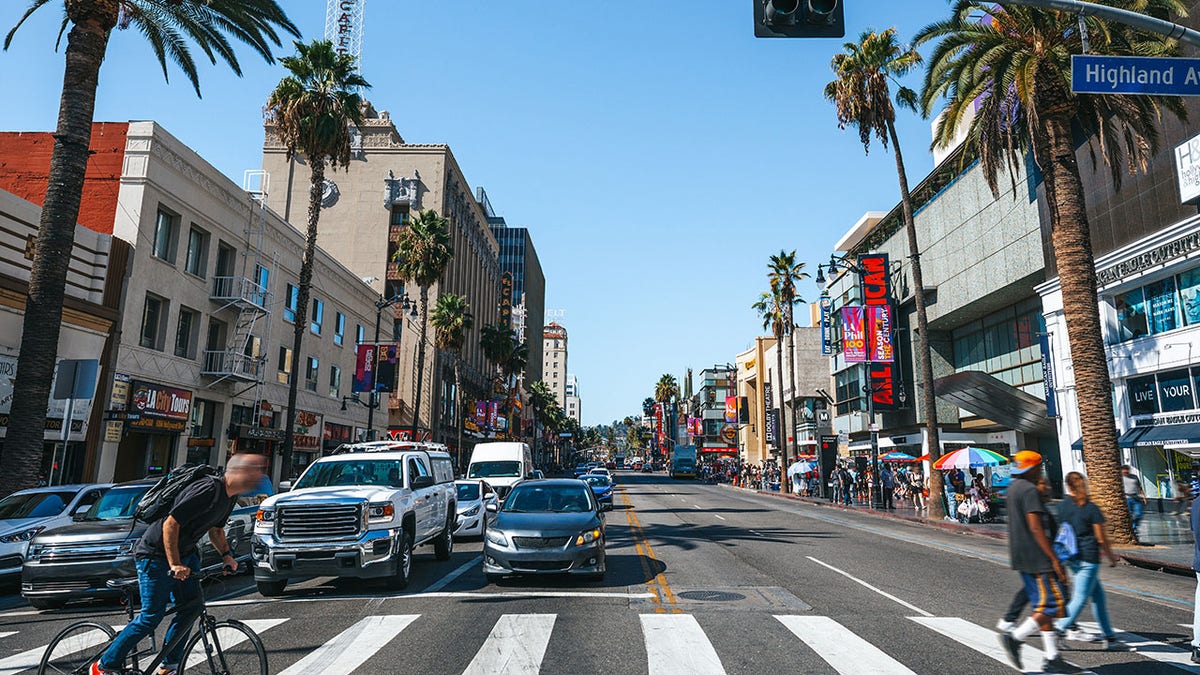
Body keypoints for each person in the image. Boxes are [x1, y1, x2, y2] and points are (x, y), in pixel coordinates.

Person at [92, 454, 268, 675]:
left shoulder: (229, 497)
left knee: (192, 607)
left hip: (186, 553)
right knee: (151, 616)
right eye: (254, 470)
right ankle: (105, 666)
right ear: (237, 472)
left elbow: (216, 530)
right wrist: (174, 564)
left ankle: (169, 665)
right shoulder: (207, 489)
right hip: (155, 554)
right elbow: (170, 524)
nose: (259, 475)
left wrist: (226, 555)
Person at [998, 451, 1073, 674]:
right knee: (1053, 603)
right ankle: (1016, 637)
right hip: (1038, 557)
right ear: (1031, 468)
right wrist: (1053, 559)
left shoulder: (1012, 488)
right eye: (1039, 467)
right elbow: (1035, 527)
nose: (1041, 471)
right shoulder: (1029, 490)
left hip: (1021, 556)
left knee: (1041, 604)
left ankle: (1052, 657)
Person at [1053, 471, 1127, 650]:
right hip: (1089, 557)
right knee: (1080, 598)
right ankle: (1059, 628)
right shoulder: (1090, 508)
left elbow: (1062, 530)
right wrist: (1111, 557)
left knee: (1098, 598)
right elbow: (1101, 538)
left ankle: (1109, 636)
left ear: (1068, 486)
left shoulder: (1062, 507)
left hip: (1072, 557)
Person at [1122, 464, 1147, 541]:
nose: (1126, 472)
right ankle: (1133, 530)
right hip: (1127, 498)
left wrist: (1144, 497)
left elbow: (1139, 487)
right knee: (1129, 514)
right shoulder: (1120, 478)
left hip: (1136, 497)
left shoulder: (1134, 477)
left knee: (1139, 514)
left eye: (1127, 471)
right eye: (1124, 471)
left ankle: (1134, 526)